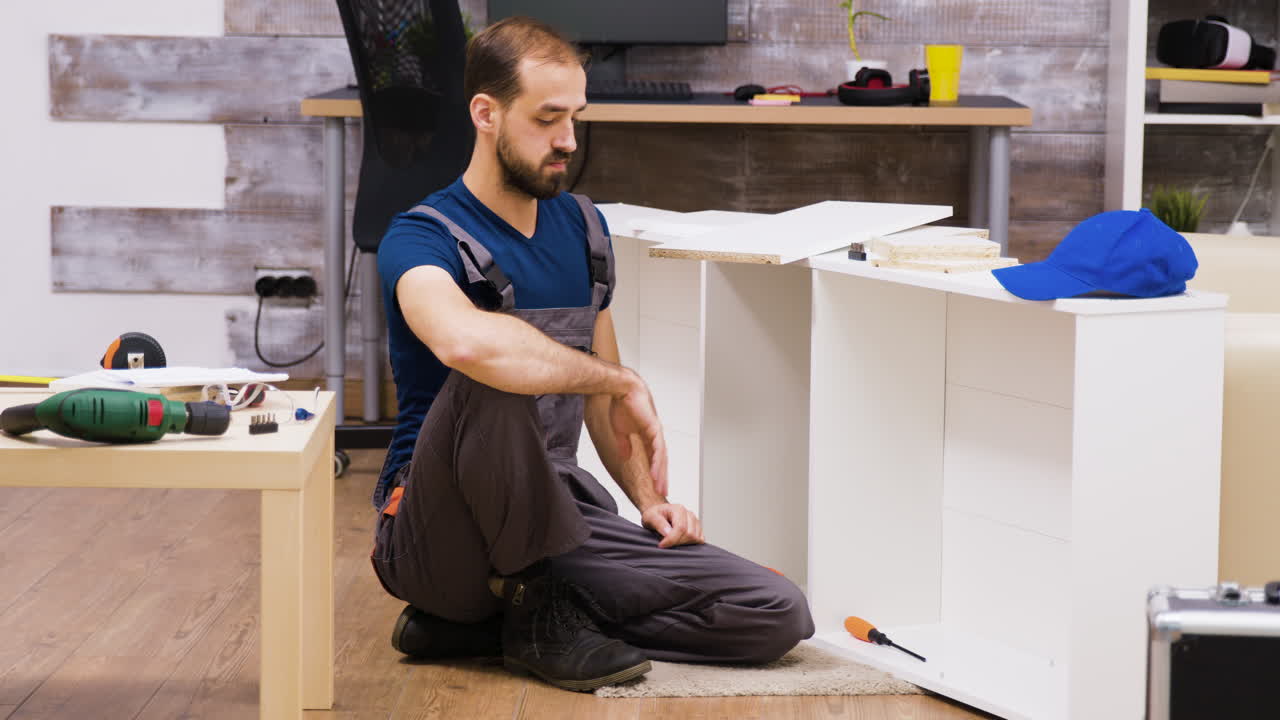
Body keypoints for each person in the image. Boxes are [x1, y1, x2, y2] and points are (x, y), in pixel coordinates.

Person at [371, 15, 814, 692]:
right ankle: (519, 603)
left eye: (576, 116)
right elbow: (465, 341)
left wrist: (645, 499)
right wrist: (620, 377)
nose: (569, 141)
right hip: (437, 537)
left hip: (558, 512)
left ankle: (512, 618)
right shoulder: (422, 235)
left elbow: (602, 398)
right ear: (486, 114)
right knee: (493, 369)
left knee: (776, 612)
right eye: (548, 119)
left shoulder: (583, 227)